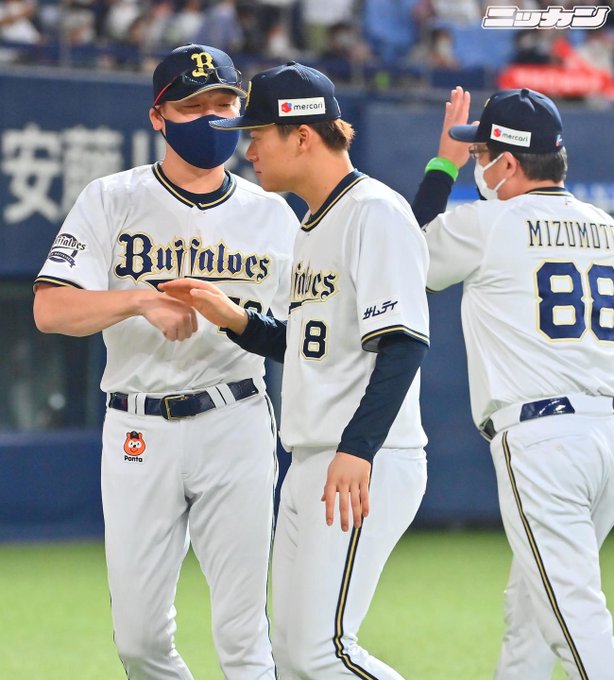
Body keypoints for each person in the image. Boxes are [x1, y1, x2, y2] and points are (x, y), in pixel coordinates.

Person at [33, 43, 298, 679]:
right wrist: (137, 300)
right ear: (158, 116)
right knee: (139, 640)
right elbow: (49, 309)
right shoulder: (111, 197)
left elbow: (306, 333)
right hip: (137, 426)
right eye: (192, 105)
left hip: (235, 416)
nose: (212, 117)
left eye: (224, 103)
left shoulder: (271, 213)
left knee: (244, 638)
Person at [161, 61, 430, 679]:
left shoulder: (374, 212)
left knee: (321, 653)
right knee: (290, 657)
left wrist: (358, 449)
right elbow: (313, 346)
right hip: (314, 456)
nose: (248, 149)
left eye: (258, 134)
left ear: (303, 135)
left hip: (362, 458)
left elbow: (403, 344)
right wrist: (235, 319)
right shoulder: (313, 222)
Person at [413, 86, 614, 679]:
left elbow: (402, 259)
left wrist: (442, 165)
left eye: (479, 154)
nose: (475, 162)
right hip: (605, 432)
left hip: (545, 442)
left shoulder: (488, 223)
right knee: (529, 611)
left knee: (571, 618)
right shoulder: (605, 226)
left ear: (507, 162)